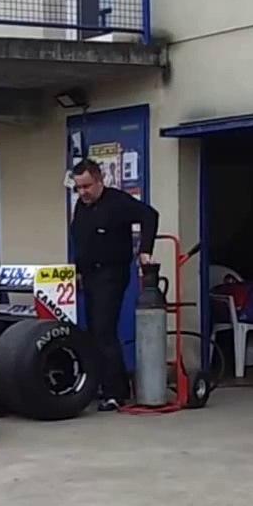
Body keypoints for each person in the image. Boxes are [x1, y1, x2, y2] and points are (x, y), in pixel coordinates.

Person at [69, 158, 159, 411]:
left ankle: (116, 392)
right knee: (92, 332)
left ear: (99, 181)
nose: (83, 192)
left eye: (87, 186)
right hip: (89, 275)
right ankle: (101, 383)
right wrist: (77, 271)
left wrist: (145, 250)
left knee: (104, 330)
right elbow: (81, 241)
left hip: (112, 273)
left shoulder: (117, 202)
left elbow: (149, 215)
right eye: (79, 187)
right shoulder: (81, 207)